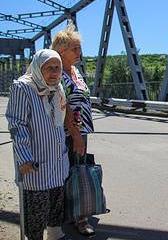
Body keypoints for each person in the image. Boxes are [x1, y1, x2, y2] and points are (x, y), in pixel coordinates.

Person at [6, 49, 69, 240]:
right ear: (37, 68)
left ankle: (55, 235)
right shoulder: (23, 87)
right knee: (36, 211)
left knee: (56, 204)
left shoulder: (58, 88)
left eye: (57, 68)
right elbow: (17, 124)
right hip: (35, 163)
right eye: (49, 68)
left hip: (58, 160)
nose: (54, 72)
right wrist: (24, 158)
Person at [51, 23, 95, 236]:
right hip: (69, 133)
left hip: (81, 131)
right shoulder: (58, 73)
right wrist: (76, 136)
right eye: (75, 48)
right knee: (74, 172)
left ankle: (72, 213)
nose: (79, 52)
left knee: (76, 171)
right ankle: (79, 218)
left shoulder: (74, 71)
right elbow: (65, 105)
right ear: (61, 51)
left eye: (79, 48)